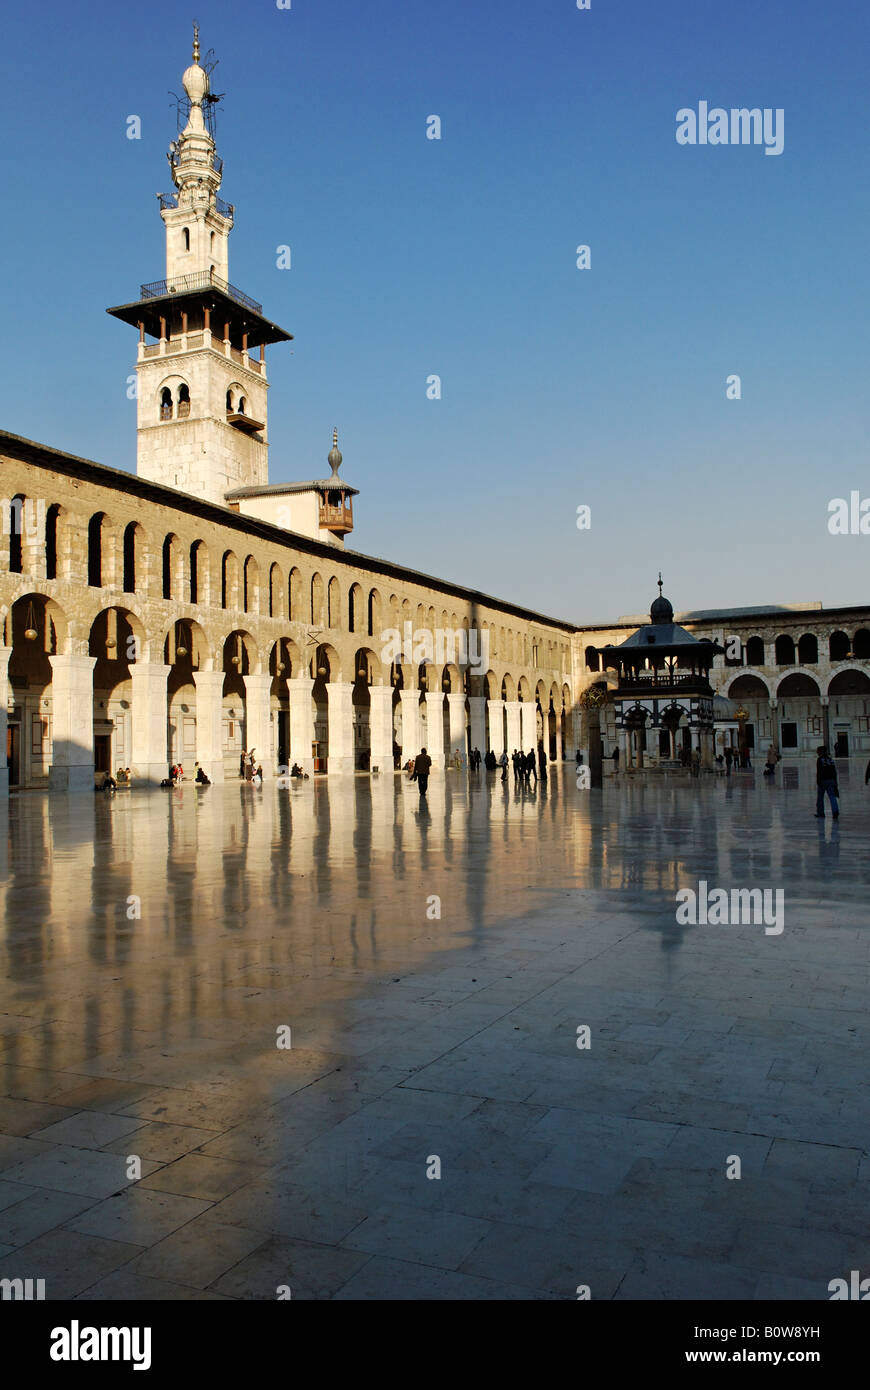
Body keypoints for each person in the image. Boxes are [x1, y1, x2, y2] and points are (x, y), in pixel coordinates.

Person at [815, 745, 839, 820]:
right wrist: (835, 782)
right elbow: (834, 771)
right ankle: (835, 811)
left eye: (818, 751)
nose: (817, 752)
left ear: (821, 751)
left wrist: (818, 781)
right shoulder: (830, 759)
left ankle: (821, 813)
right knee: (832, 796)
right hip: (831, 780)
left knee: (820, 798)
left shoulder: (820, 759)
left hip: (823, 780)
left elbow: (819, 771)